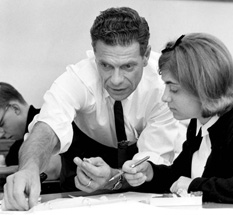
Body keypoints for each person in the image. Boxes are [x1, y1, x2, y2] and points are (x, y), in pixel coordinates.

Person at [2, 7, 186, 210]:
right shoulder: (79, 78)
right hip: (79, 192)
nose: (116, 80)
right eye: (105, 65)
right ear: (95, 54)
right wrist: (28, 169)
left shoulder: (163, 89)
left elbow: (151, 167)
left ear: (146, 56)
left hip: (141, 196)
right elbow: (47, 126)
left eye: (127, 67)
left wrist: (113, 178)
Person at [122, 33, 233, 204]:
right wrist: (150, 173)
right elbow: (180, 177)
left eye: (173, 89)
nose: (165, 97)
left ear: (203, 87)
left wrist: (195, 187)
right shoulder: (199, 122)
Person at [0, 82, 61, 181]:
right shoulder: (16, 147)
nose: (1, 134)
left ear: (15, 108)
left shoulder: (47, 121)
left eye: (1, 124)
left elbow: (52, 169)